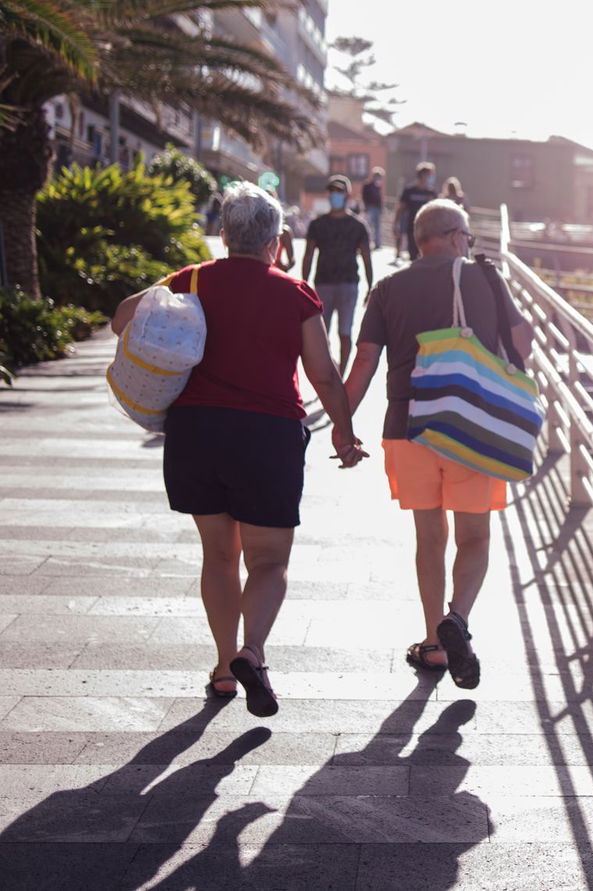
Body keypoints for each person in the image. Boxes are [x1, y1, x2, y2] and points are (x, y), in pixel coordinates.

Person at [109, 184, 366, 718]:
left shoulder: (193, 279)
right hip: (267, 437)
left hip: (196, 433)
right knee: (268, 560)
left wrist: (181, 279)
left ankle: (225, 668)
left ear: (224, 234)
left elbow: (121, 319)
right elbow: (321, 372)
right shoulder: (295, 293)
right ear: (277, 240)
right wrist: (344, 431)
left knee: (218, 556)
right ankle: (254, 652)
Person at [344, 201, 533, 690]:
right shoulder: (485, 279)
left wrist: (342, 426)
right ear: (454, 236)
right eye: (467, 238)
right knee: (475, 537)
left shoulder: (388, 288)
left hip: (407, 426)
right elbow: (521, 340)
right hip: (471, 424)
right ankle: (458, 620)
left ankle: (432, 644)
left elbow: (364, 362)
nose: (468, 246)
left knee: (429, 539)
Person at [302, 176, 374, 375]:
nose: (335, 195)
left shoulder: (358, 226)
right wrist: (303, 284)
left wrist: (370, 286)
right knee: (321, 333)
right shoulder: (318, 224)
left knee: (345, 332)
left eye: (339, 191)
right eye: (332, 191)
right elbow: (308, 255)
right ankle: (326, 371)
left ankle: (341, 374)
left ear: (347, 195)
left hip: (348, 284)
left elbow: (367, 257)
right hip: (323, 282)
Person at [394, 161, 438, 262]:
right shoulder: (409, 191)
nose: (432, 177)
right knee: (413, 257)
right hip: (412, 228)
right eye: (430, 175)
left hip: (428, 230)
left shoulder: (431, 192)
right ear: (423, 175)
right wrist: (395, 224)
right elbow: (400, 208)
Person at [361, 167, 386, 250]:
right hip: (370, 208)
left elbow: (379, 198)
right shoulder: (367, 185)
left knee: (378, 226)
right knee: (368, 226)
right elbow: (364, 196)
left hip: (377, 208)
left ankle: (377, 243)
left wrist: (381, 207)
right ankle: (367, 242)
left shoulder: (378, 186)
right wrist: (365, 206)